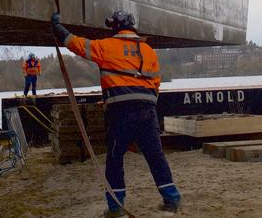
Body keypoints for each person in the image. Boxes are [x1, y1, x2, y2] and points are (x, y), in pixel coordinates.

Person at [51, 11, 181, 216]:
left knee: (114, 159)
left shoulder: (106, 46)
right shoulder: (148, 50)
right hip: (147, 111)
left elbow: (76, 44)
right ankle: (172, 199)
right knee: (156, 156)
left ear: (115, 27)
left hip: (120, 113)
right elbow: (156, 84)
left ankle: (115, 207)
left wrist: (58, 28)